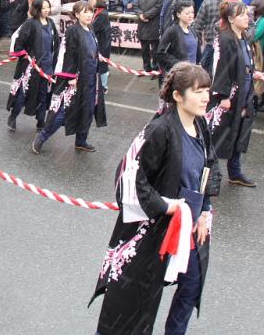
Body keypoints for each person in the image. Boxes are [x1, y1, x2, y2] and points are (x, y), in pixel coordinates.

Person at [91, 62, 215, 335]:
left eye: (207, 90)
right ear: (177, 96)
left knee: (192, 284)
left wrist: (205, 210)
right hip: (156, 225)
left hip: (191, 223)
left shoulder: (202, 126)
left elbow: (211, 167)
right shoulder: (160, 130)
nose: (206, 97)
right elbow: (129, 176)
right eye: (198, 91)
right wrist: (166, 206)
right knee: (135, 301)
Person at [31, 1, 106, 154]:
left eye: (91, 12)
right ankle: (41, 137)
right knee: (62, 112)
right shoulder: (73, 31)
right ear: (77, 14)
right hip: (75, 80)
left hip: (90, 79)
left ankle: (81, 141)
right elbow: (67, 55)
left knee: (88, 110)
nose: (89, 15)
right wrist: (70, 76)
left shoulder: (90, 29)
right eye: (85, 12)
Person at [207, 0, 256, 187]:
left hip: (244, 93)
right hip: (230, 95)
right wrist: (223, 96)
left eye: (246, 13)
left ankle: (235, 172)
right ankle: (210, 173)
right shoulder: (225, 38)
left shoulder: (243, 36)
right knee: (220, 135)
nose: (246, 17)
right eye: (241, 14)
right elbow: (220, 67)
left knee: (239, 133)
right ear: (230, 18)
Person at [6, 0, 59, 131]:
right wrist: (25, 55)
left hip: (47, 66)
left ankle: (41, 121)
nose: (46, 10)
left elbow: (56, 45)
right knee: (23, 93)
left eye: (48, 7)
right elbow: (19, 42)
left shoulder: (51, 23)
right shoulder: (30, 23)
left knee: (43, 94)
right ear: (37, 9)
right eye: (44, 8)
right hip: (31, 66)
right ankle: (13, 116)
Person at [192, 0, 235, 73]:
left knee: (224, 73)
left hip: (228, 44)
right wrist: (196, 43)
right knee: (205, 70)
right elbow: (198, 24)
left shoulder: (234, 4)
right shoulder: (208, 2)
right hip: (211, 43)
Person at [157, 0, 198, 74]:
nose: (191, 15)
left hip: (192, 74)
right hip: (179, 75)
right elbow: (161, 53)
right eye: (187, 13)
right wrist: (179, 64)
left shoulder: (192, 30)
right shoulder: (171, 31)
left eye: (192, 12)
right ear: (178, 14)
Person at [136, 0, 164, 72]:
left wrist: (145, 15)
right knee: (144, 49)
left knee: (155, 49)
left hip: (153, 25)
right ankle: (146, 67)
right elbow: (136, 6)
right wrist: (140, 15)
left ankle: (156, 68)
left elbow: (157, 8)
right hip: (142, 25)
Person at [90, 0, 111, 92]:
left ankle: (104, 87)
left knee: (103, 66)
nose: (91, 1)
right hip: (100, 42)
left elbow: (93, 27)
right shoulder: (98, 11)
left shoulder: (102, 14)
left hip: (103, 44)